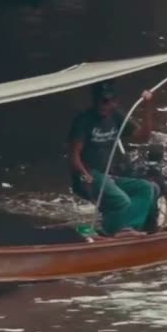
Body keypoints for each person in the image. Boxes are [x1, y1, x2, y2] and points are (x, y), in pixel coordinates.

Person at [69, 85, 160, 236]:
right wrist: (85, 177)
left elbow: (144, 136)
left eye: (106, 102)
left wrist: (147, 105)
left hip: (107, 176)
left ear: (114, 102)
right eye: (99, 101)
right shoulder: (83, 121)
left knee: (146, 188)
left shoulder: (116, 116)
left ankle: (133, 228)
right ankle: (116, 231)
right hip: (88, 175)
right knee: (121, 200)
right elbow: (74, 157)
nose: (102, 105)